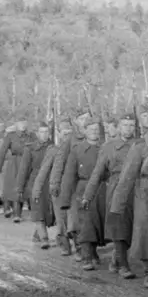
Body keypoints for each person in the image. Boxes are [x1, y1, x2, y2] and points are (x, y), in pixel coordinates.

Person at [113, 110, 148, 287]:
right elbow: (127, 176)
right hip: (144, 192)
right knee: (146, 231)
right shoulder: (139, 146)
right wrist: (118, 204)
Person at [93, 115, 141, 279]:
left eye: (131, 125)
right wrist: (88, 195)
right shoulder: (109, 147)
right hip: (116, 188)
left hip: (137, 189)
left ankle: (116, 258)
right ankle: (123, 266)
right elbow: (99, 172)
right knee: (120, 227)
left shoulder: (140, 144)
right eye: (125, 124)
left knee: (133, 228)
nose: (128, 128)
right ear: (119, 127)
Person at [59, 120, 105, 271]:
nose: (94, 132)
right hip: (83, 189)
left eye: (96, 130)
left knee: (98, 224)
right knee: (85, 224)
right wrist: (65, 200)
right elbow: (69, 176)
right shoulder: (77, 150)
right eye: (90, 129)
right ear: (84, 131)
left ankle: (93, 252)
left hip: (102, 189)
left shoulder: (105, 148)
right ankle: (87, 256)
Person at [50, 112, 93, 253]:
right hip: (71, 185)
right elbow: (59, 163)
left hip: (90, 184)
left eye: (87, 118)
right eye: (81, 118)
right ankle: (77, 246)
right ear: (76, 121)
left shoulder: (96, 137)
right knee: (73, 218)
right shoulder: (70, 140)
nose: (85, 120)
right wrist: (55, 184)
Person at [32, 122, 73, 254]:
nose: (67, 136)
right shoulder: (54, 150)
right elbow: (43, 171)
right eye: (64, 133)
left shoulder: (77, 149)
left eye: (69, 133)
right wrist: (36, 191)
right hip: (59, 191)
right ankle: (64, 245)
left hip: (74, 190)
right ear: (59, 134)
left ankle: (79, 247)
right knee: (61, 221)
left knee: (75, 220)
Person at [17, 123, 53, 247]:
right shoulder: (30, 149)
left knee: (46, 210)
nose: (45, 134)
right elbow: (24, 169)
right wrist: (20, 187)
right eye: (42, 132)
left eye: (47, 132)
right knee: (38, 210)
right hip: (34, 183)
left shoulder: (53, 147)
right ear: (37, 134)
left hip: (49, 182)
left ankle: (37, 234)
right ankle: (44, 238)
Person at [0, 119, 33, 222]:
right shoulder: (10, 136)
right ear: (16, 124)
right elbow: (2, 152)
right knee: (13, 187)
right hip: (14, 163)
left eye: (25, 122)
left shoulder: (31, 136)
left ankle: (17, 213)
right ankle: (16, 213)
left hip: (27, 163)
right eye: (20, 123)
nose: (23, 125)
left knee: (23, 188)